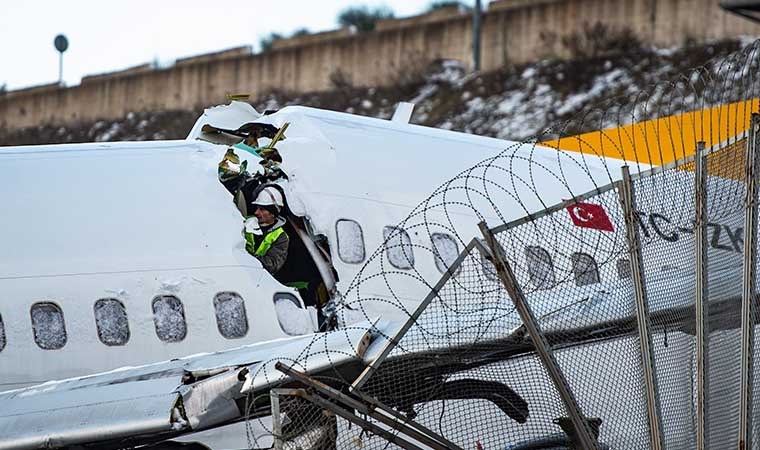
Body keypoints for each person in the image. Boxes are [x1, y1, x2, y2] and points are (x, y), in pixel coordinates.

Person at [244, 186, 289, 275]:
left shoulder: (281, 237)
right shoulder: (245, 222)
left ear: (273, 213)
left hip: (258, 278)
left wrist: (247, 257)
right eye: (257, 208)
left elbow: (273, 265)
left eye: (262, 209)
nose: (256, 212)